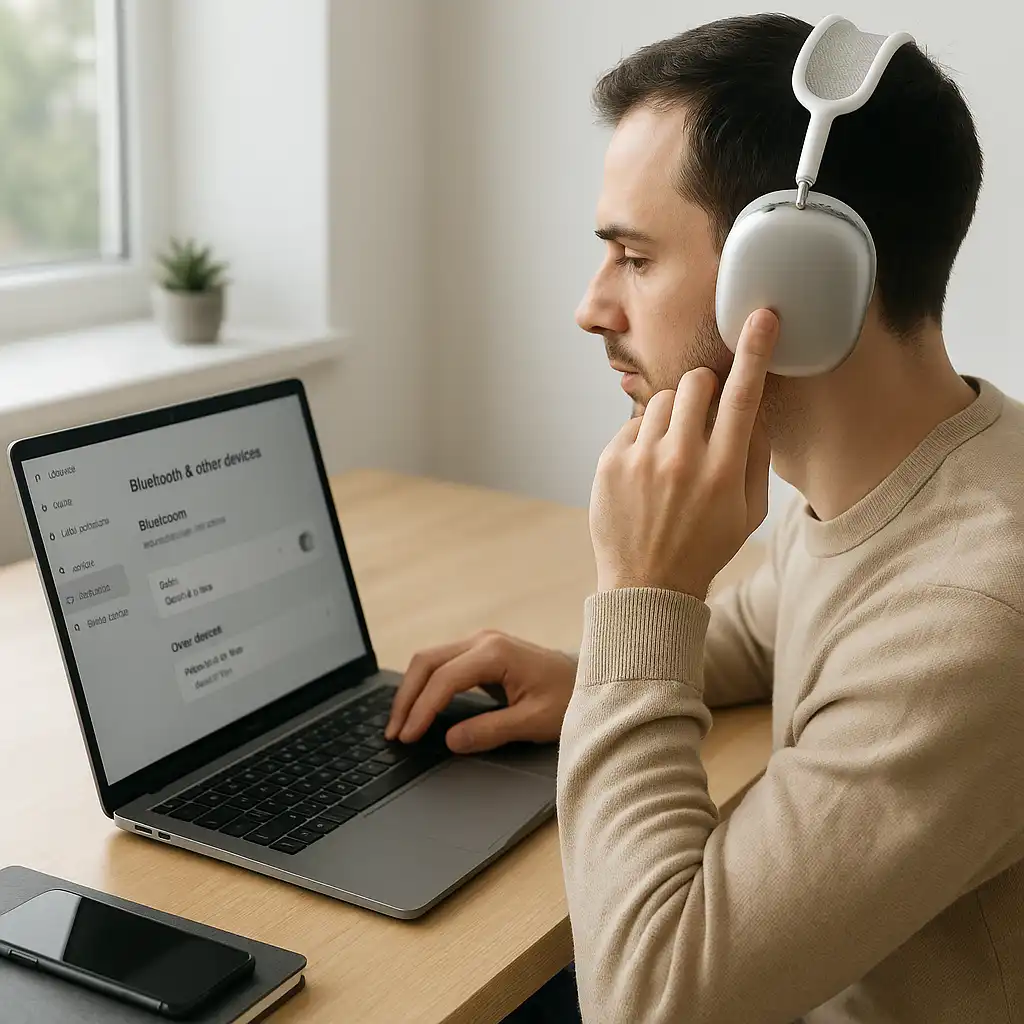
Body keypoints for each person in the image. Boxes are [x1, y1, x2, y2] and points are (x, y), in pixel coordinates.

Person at [386, 13, 1024, 1023]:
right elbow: (781, 624)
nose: (592, 307)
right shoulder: (919, 471)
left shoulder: (976, 616)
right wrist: (591, 670)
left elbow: (651, 1002)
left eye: (633, 259)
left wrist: (643, 592)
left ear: (796, 281)